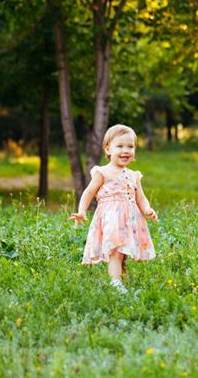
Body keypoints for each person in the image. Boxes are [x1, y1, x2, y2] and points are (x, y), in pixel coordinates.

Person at [69, 124, 158, 294]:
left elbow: (141, 197)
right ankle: (115, 283)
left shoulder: (134, 175)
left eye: (130, 146)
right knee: (116, 250)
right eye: (120, 146)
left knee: (123, 251)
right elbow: (88, 192)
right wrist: (81, 211)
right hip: (111, 216)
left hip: (130, 220)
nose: (126, 150)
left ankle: (119, 278)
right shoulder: (102, 172)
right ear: (108, 149)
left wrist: (147, 209)